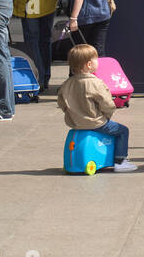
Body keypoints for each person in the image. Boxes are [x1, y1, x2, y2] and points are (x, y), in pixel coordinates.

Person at [57, 44, 136, 172]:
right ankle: (120, 161)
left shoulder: (67, 84)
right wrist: (107, 115)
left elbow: (61, 103)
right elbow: (107, 104)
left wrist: (71, 113)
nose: (98, 62)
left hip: (75, 123)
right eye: (96, 59)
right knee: (123, 131)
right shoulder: (96, 83)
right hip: (96, 123)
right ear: (89, 65)